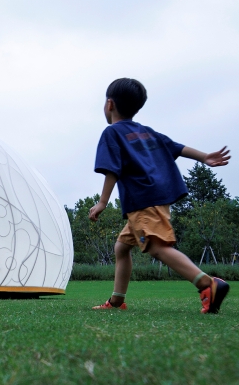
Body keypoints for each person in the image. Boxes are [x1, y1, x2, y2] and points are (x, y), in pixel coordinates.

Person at [89, 77, 231, 313]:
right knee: (122, 247)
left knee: (157, 247)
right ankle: (116, 301)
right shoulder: (146, 132)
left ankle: (208, 285)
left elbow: (111, 169)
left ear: (109, 104)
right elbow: (176, 147)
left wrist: (103, 202)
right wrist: (204, 157)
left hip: (143, 201)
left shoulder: (111, 133)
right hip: (157, 197)